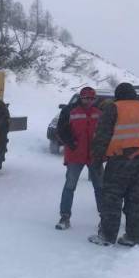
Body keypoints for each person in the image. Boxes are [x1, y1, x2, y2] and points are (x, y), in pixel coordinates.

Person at [89, 83, 139, 246]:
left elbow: (102, 136)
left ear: (118, 95)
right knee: (137, 199)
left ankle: (107, 236)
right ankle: (134, 236)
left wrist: (96, 161)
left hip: (120, 159)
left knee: (112, 198)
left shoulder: (114, 108)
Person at [54, 87, 103, 230]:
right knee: (69, 186)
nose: (88, 101)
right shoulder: (70, 111)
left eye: (91, 98)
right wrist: (72, 143)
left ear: (95, 99)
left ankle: (104, 218)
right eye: (86, 98)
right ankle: (64, 217)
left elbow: (105, 132)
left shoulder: (99, 113)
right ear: (81, 98)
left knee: (100, 187)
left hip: (94, 156)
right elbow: (61, 130)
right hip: (75, 155)